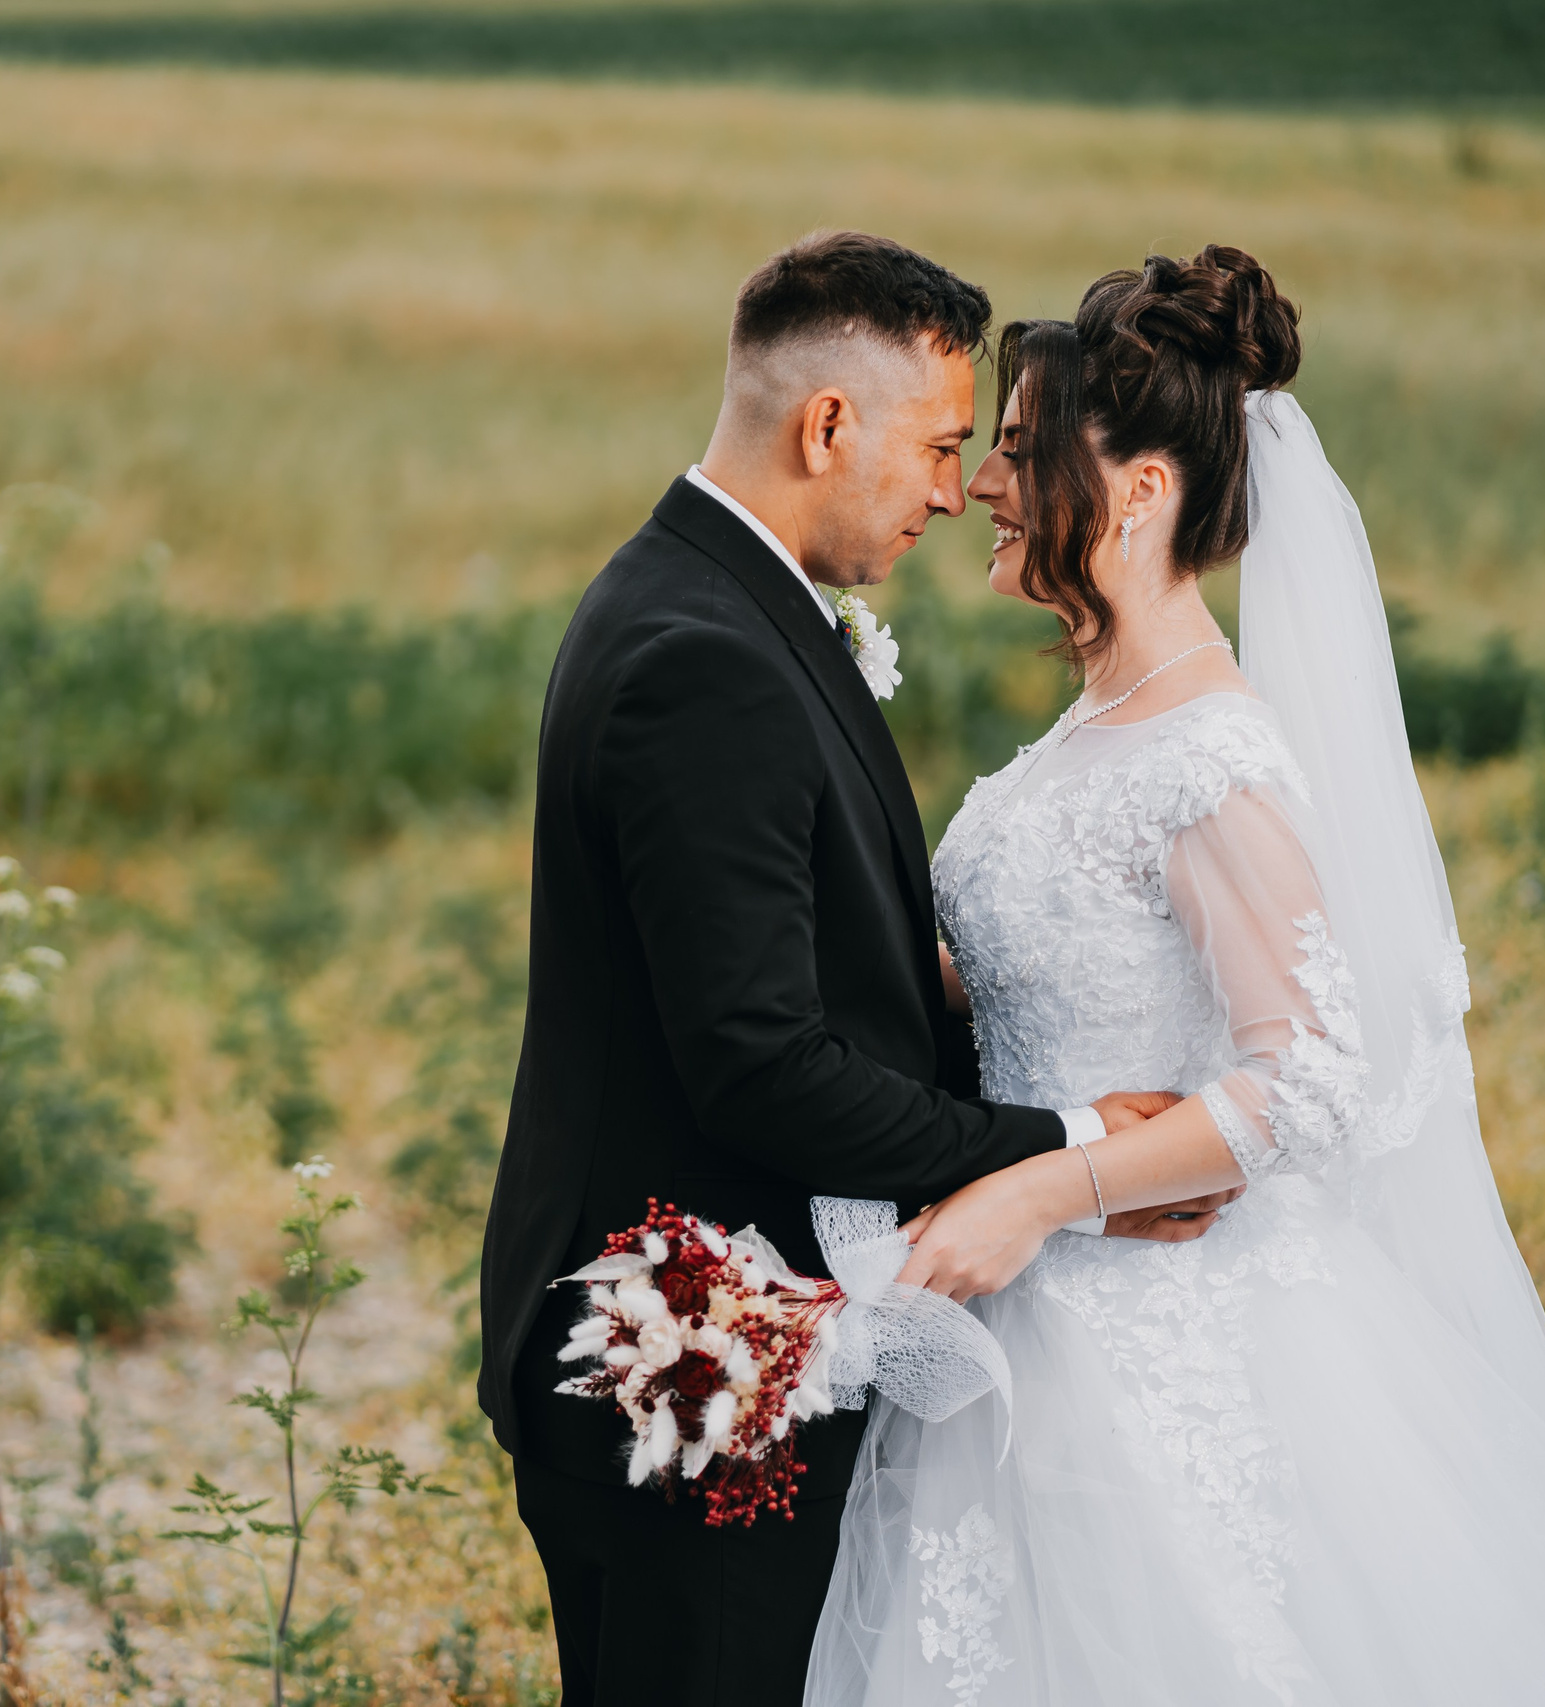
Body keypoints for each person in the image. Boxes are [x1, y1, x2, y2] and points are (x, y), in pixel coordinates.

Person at [802, 244, 1545, 1705]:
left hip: (1160, 1320)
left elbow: (1311, 1075)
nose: (983, 484)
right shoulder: (1089, 733)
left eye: (1024, 454)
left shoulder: (1207, 754)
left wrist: (1042, 1189)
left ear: (1144, 491)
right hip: (1014, 1312)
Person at [477, 231, 1229, 1707]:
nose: (958, 491)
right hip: (687, 1354)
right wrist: (1072, 1145)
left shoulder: (705, 600)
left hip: (737, 1335)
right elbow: (757, 1062)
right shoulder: (708, 655)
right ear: (829, 426)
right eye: (944, 444)